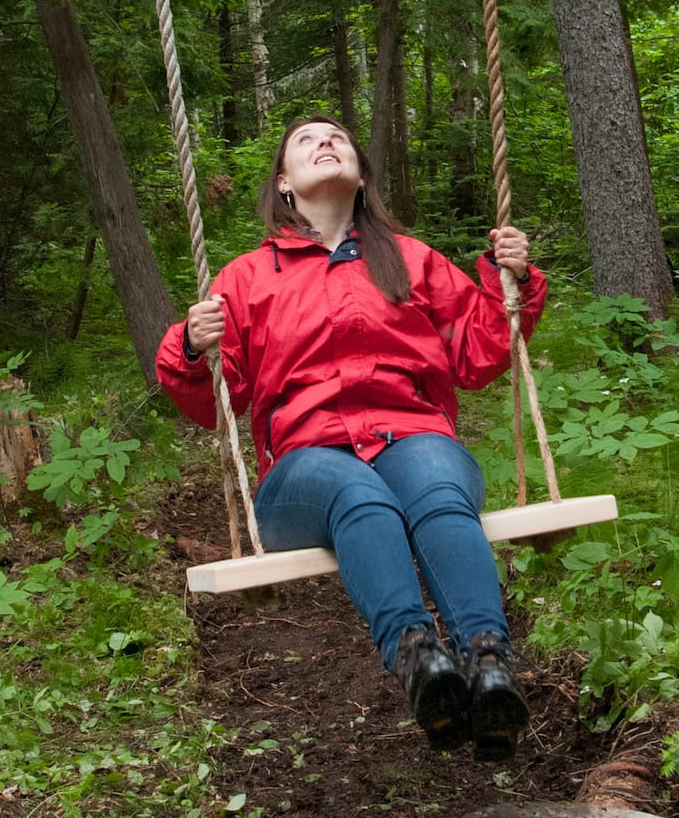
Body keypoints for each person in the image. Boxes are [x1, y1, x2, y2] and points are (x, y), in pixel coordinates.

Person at [155, 116, 547, 760]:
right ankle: (418, 659)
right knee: (359, 493)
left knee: (438, 487)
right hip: (304, 468)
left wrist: (514, 283)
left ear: (361, 175)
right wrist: (192, 349)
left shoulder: (410, 260)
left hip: (411, 432)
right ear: (285, 183)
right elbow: (216, 402)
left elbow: (478, 354)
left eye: (338, 137)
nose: (326, 143)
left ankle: (488, 663)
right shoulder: (249, 278)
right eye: (306, 141)